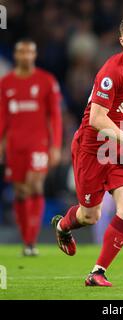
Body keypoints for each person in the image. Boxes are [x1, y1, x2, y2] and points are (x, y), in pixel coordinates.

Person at [51, 13, 123, 287]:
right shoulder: (111, 72)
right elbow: (97, 119)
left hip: (119, 148)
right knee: (90, 215)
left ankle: (98, 272)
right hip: (91, 147)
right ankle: (63, 226)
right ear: (122, 40)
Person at [0, 40, 62, 256]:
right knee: (20, 191)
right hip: (15, 145)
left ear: (34, 55)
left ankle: (31, 240)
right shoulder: (5, 83)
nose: (26, 56)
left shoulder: (46, 81)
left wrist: (54, 145)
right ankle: (26, 239)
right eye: (21, 52)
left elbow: (55, 115)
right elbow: (2, 117)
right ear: (16, 55)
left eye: (30, 52)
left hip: (39, 143)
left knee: (35, 185)